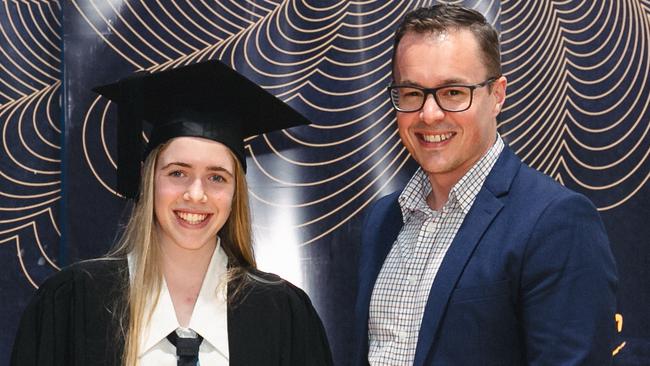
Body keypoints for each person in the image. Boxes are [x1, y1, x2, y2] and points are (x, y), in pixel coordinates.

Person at [11, 60, 333, 366]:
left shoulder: (282, 315)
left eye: (217, 177)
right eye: (177, 173)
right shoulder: (73, 304)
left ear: (236, 193)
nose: (196, 193)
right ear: (148, 179)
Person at [353, 4, 618, 366]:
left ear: (497, 95)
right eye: (412, 93)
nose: (429, 114)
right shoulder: (382, 220)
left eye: (453, 92)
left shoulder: (555, 222)